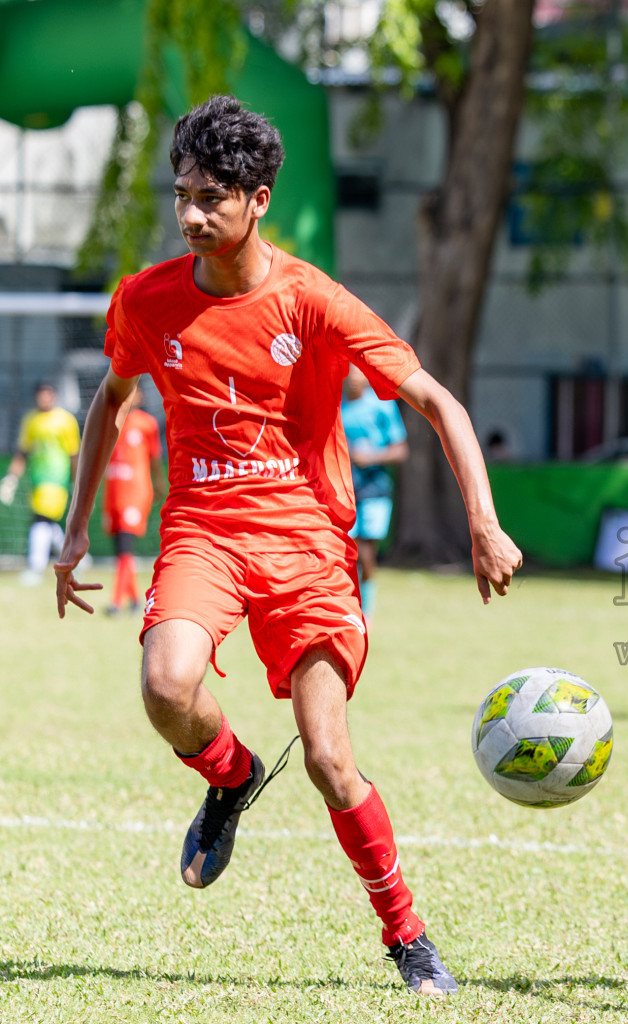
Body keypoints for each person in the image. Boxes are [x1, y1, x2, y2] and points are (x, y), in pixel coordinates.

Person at [52, 96, 523, 997]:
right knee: (164, 685)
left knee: (328, 758)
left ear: (258, 200)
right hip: (202, 535)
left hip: (308, 546)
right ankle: (229, 778)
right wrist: (77, 530)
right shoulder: (147, 300)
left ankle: (407, 934)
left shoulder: (312, 301)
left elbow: (438, 401)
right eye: (182, 195)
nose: (191, 215)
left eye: (212, 199)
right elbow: (111, 398)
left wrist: (484, 518)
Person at [341, 365, 407, 624]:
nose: (356, 379)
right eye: (352, 374)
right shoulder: (337, 407)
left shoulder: (382, 407)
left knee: (366, 552)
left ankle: (365, 610)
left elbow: (400, 449)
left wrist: (371, 457)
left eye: (360, 374)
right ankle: (344, 606)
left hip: (374, 489)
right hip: (343, 490)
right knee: (345, 552)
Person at [2, 381, 80, 586]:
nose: (44, 398)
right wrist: (11, 479)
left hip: (57, 479)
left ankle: (35, 567)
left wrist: (77, 482)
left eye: (47, 394)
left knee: (40, 520)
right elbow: (23, 452)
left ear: (54, 395)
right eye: (40, 395)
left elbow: (73, 454)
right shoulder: (31, 420)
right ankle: (77, 557)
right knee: (48, 523)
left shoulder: (65, 420)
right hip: (37, 480)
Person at [102, 381, 165, 615]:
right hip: (113, 493)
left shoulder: (146, 424)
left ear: (140, 397)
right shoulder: (111, 421)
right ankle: (136, 599)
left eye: (134, 391)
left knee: (126, 548)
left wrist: (159, 485)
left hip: (136, 493)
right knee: (120, 551)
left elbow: (156, 459)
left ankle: (116, 602)